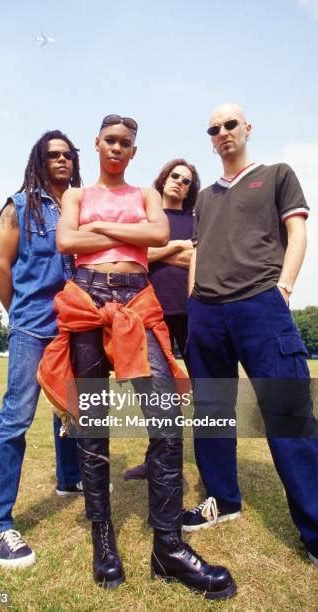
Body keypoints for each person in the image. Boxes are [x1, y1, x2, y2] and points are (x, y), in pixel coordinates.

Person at [38, 114, 236, 599]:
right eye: (110, 140)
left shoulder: (145, 195)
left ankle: (167, 547)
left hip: (137, 301)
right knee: (92, 424)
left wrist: (102, 229)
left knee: (166, 421)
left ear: (133, 151)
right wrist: (124, 233)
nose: (117, 148)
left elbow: (156, 234)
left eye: (126, 143)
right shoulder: (75, 195)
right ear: (98, 143)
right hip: (86, 298)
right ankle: (103, 539)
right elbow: (67, 241)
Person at [184, 103, 318, 567]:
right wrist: (193, 303)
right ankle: (223, 499)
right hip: (207, 312)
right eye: (213, 128)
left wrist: (283, 288)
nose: (222, 133)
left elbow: (297, 233)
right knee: (212, 412)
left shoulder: (277, 174)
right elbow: (197, 251)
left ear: (247, 128)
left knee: (288, 415)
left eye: (230, 125)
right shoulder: (203, 197)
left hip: (261, 304)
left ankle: (315, 530)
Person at [0, 130, 83, 568]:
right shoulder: (19, 207)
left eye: (67, 155)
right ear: (39, 161)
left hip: (74, 325)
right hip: (32, 328)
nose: (61, 160)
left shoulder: (81, 208)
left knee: (74, 409)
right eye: (52, 155)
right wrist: (19, 314)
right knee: (16, 418)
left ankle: (70, 479)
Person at [124, 158, 199, 481]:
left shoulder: (197, 221)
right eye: (174, 176)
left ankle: (210, 465)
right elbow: (137, 256)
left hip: (192, 313)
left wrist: (165, 250)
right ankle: (157, 461)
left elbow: (201, 258)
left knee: (204, 389)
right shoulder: (147, 218)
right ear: (163, 178)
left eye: (185, 180)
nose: (179, 182)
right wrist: (178, 247)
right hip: (150, 313)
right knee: (155, 394)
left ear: (190, 189)